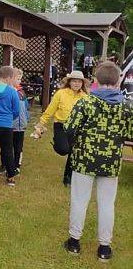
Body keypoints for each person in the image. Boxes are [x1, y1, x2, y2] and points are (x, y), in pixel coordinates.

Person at [62, 62, 133, 262]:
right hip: (111, 162)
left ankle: (74, 242)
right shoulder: (127, 106)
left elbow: (69, 128)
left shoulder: (85, 102)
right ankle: (104, 247)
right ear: (118, 80)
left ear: (96, 80)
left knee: (79, 200)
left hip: (84, 159)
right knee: (107, 204)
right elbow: (130, 133)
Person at [33, 70, 89, 186]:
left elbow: (88, 114)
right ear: (69, 82)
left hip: (76, 127)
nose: (76, 84)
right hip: (60, 125)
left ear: (82, 84)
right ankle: (57, 143)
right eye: (74, 81)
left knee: (73, 152)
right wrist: (41, 123)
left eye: (79, 82)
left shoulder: (85, 97)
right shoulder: (61, 93)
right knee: (64, 149)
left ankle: (68, 178)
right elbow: (50, 109)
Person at [0, 68, 29, 175]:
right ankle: (4, 164)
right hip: (9, 124)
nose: (18, 81)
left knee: (18, 146)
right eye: (16, 79)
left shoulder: (22, 93)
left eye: (20, 79)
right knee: (6, 145)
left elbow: (25, 108)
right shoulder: (5, 91)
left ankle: (16, 165)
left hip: (20, 125)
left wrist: (25, 120)